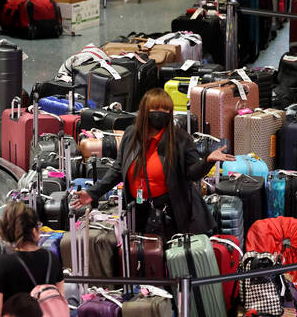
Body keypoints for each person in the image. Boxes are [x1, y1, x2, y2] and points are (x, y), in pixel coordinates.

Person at [71, 88, 234, 237]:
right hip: (138, 211)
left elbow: (192, 173)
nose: (161, 113)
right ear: (144, 111)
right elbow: (118, 170)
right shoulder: (131, 134)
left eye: (166, 110)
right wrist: (92, 193)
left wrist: (207, 161)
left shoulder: (180, 139)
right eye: (156, 109)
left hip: (172, 216)